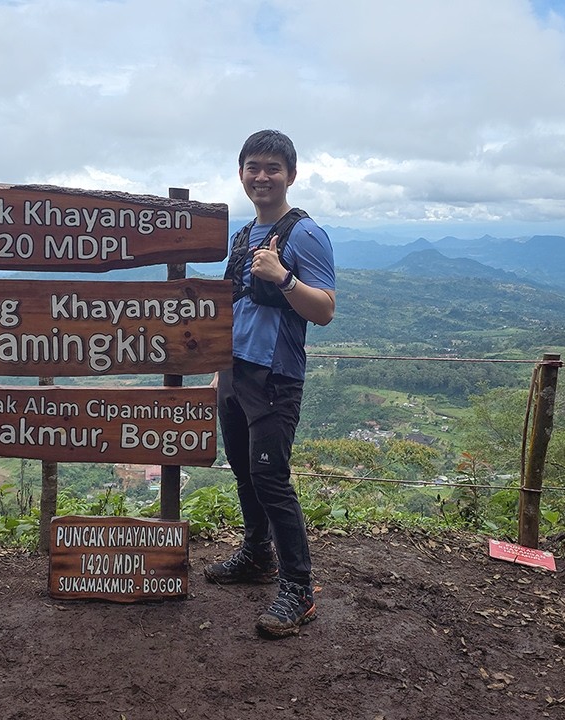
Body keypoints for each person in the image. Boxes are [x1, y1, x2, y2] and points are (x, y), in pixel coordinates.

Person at [204, 129, 336, 639]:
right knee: (244, 471)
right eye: (253, 167)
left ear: (291, 176)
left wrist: (283, 277)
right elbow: (233, 305)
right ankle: (258, 556)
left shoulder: (303, 234)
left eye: (272, 168)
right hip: (234, 373)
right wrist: (219, 365)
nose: (261, 176)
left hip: (276, 376)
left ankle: (298, 589)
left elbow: (324, 310)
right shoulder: (242, 236)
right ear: (241, 174)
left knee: (272, 480)